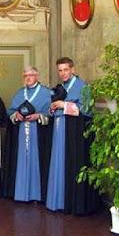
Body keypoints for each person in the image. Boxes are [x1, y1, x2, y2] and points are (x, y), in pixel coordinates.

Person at [46, 57, 100, 215]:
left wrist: (64, 105)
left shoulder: (83, 87)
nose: (63, 73)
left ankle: (73, 204)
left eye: (65, 70)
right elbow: (53, 110)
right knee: (59, 164)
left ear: (73, 69)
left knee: (72, 164)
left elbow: (87, 110)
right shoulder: (59, 88)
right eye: (60, 70)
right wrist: (53, 107)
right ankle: (59, 201)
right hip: (59, 132)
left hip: (75, 135)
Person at [2, 66, 52, 203]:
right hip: (21, 133)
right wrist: (16, 115)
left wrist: (39, 116)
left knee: (37, 162)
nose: (28, 78)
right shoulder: (19, 93)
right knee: (21, 161)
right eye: (25, 76)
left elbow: (52, 113)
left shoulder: (46, 93)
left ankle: (36, 195)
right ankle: (21, 194)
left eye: (30, 75)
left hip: (39, 134)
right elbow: (10, 110)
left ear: (37, 76)